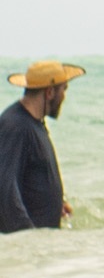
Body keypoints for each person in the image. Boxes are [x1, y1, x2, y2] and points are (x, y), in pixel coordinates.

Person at [1, 60, 82, 233]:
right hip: (29, 244)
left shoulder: (34, 123)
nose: (64, 97)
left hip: (42, 244)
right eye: (64, 89)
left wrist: (56, 203)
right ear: (50, 92)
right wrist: (28, 237)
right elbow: (5, 189)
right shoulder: (16, 126)